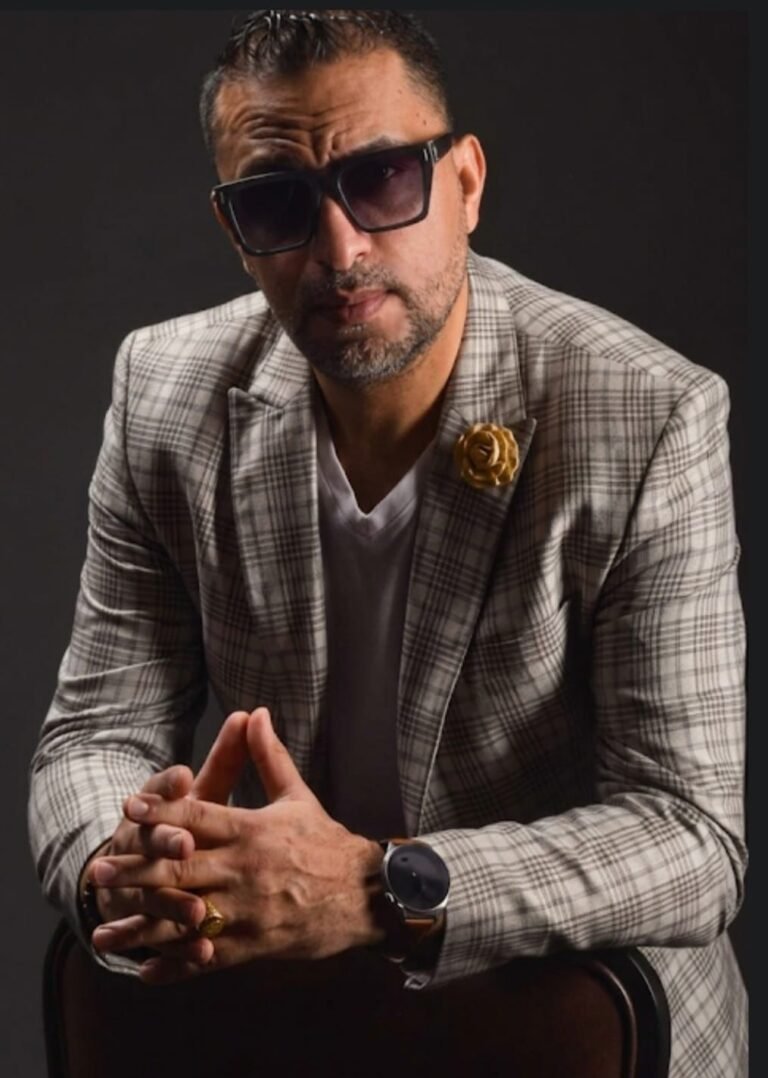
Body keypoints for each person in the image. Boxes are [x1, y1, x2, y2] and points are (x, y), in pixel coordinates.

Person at [28, 10, 746, 1076]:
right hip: (286, 1018)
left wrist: (379, 885)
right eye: (278, 204)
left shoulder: (648, 413)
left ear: (466, 182)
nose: (340, 249)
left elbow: (690, 838)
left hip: (569, 1025)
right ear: (235, 230)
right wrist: (131, 862)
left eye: (381, 179)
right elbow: (90, 738)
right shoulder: (163, 391)